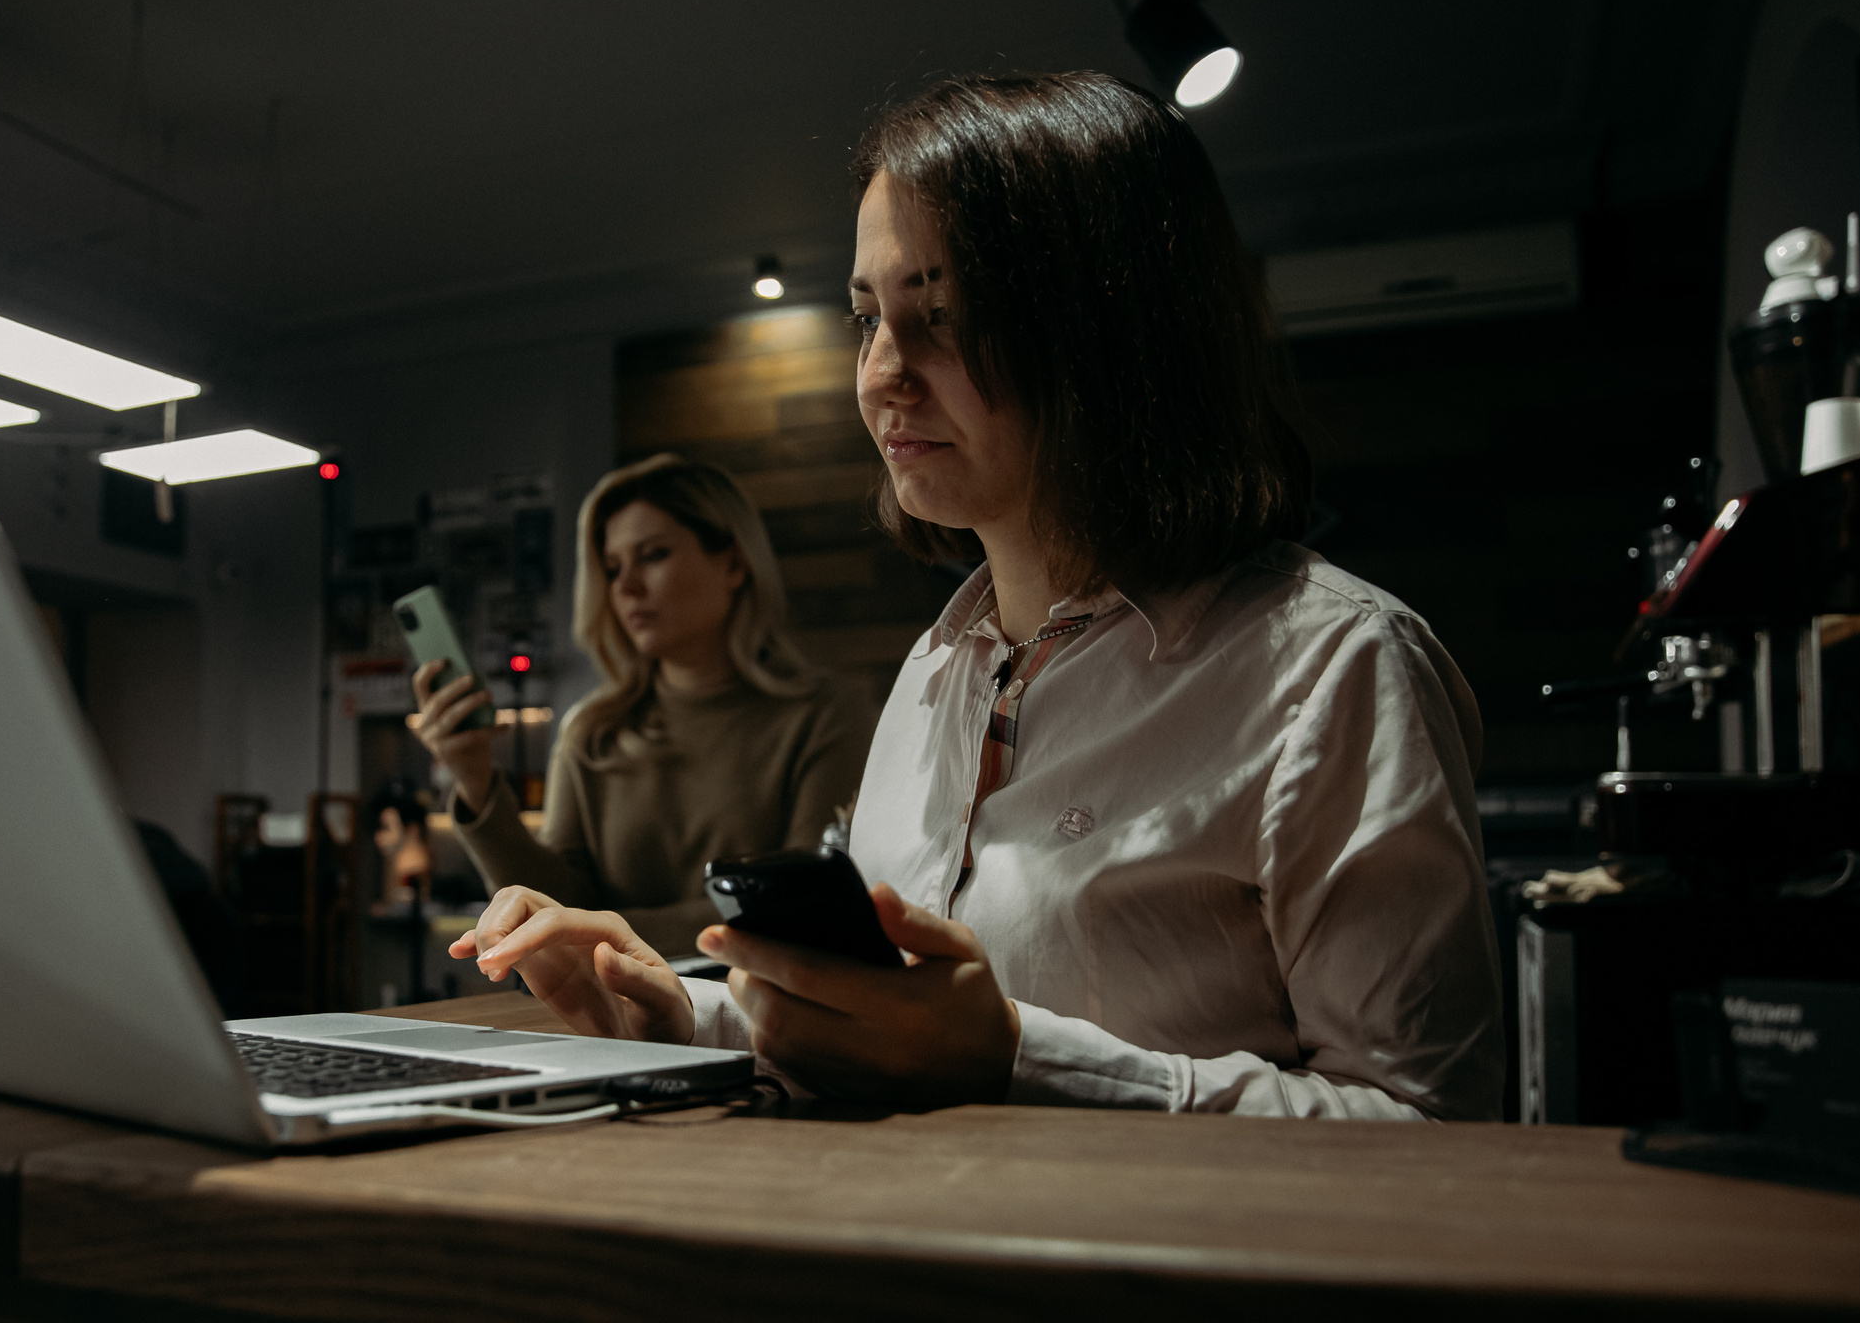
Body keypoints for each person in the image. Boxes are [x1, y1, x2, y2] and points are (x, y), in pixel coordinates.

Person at [449, 73, 1503, 1122]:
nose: (880, 374)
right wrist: (676, 1008)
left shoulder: (1338, 666)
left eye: (944, 315)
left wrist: (1012, 1056)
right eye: (867, 317)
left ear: (1114, 331)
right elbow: (889, 1030)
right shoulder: (937, 665)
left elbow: (1427, 1125)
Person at [411, 454, 874, 959]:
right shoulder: (592, 731)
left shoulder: (826, 715)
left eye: (653, 555)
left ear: (735, 564)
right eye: (612, 569)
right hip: (606, 1002)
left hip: (757, 1002)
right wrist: (475, 781)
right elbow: (552, 903)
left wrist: (597, 932)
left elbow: (800, 907)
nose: (626, 587)